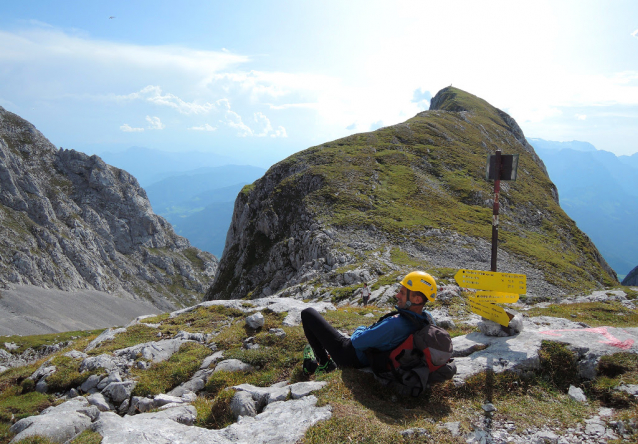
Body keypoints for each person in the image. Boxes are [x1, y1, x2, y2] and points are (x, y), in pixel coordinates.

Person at [300, 271, 437, 375]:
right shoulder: (426, 318)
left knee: (308, 313)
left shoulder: (396, 324)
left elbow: (357, 341)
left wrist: (361, 328)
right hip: (369, 356)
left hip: (349, 355)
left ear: (417, 300)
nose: (397, 295)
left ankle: (323, 364)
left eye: (402, 292)